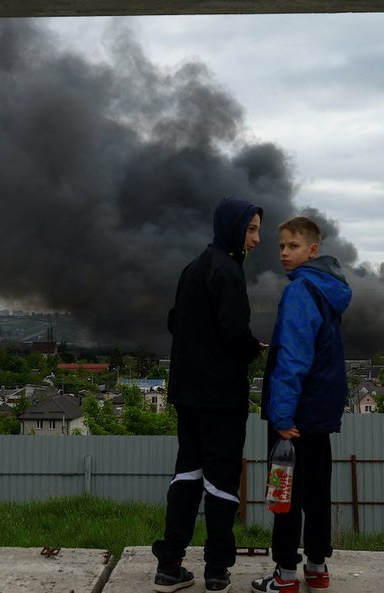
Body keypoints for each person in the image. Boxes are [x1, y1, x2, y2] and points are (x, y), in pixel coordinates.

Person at [152, 197, 264, 593]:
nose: (256, 238)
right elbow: (235, 332)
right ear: (233, 228)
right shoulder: (228, 271)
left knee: (186, 475)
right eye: (251, 229)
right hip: (220, 399)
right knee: (221, 484)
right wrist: (254, 350)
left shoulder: (192, 268)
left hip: (187, 395)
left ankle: (169, 566)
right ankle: (217, 571)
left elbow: (173, 321)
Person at [251, 216, 352, 593]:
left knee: (285, 495)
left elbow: (293, 359)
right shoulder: (329, 290)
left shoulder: (299, 291)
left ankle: (285, 576)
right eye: (280, 246)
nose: (283, 253)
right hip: (321, 413)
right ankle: (317, 567)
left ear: (312, 250)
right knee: (317, 493)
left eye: (292, 246)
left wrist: (281, 415)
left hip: (294, 416)